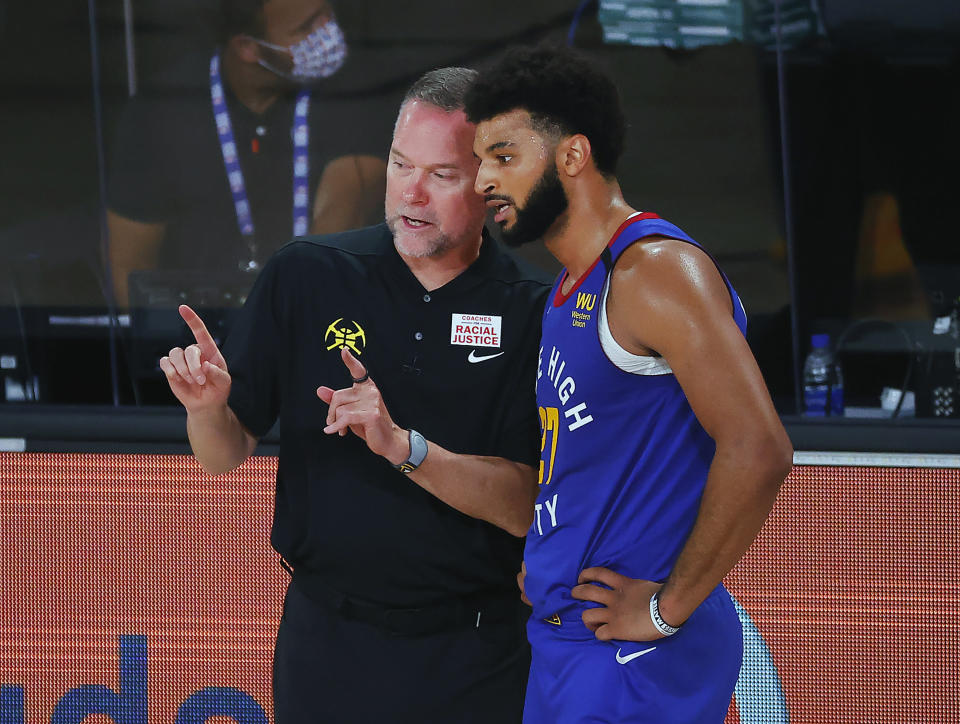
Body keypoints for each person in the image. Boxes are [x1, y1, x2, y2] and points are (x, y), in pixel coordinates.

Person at [159, 66, 550, 723]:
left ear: (490, 184)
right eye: (400, 165)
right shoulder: (308, 274)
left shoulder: (534, 310)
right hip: (327, 643)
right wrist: (208, 411)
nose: (412, 195)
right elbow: (223, 454)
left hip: (475, 652)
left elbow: (524, 504)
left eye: (441, 175)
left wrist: (404, 447)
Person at [465, 45, 795, 723]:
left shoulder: (653, 270)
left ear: (573, 155)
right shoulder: (566, 290)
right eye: (478, 161)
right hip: (570, 644)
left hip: (629, 657)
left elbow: (758, 447)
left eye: (503, 156)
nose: (481, 182)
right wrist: (550, 558)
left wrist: (667, 608)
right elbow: (589, 462)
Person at [107, 0, 390, 306]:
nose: (330, 32)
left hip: (314, 315)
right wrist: (163, 349)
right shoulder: (163, 111)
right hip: (198, 333)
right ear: (248, 47)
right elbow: (128, 264)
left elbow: (338, 225)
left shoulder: (358, 89)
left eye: (328, 14)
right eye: (307, 27)